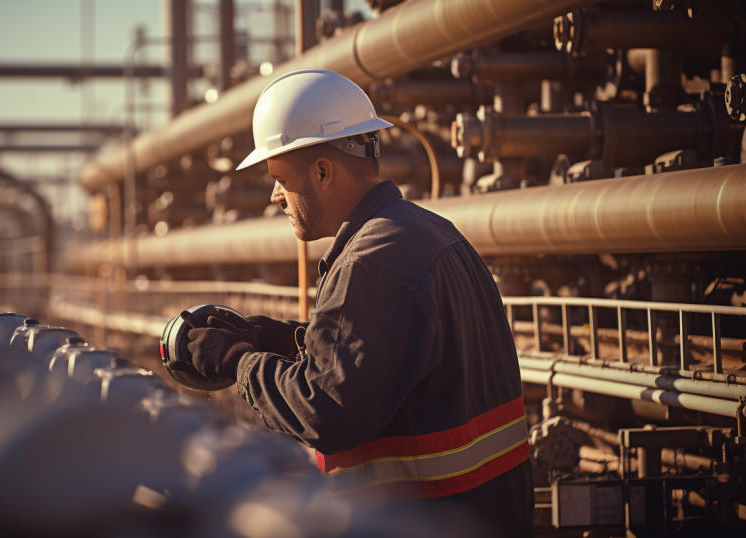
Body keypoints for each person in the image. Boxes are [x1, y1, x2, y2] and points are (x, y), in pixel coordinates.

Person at [183, 69, 533, 536]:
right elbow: (392, 361)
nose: (275, 197)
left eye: (279, 179)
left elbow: (324, 409)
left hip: (422, 523)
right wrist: (282, 339)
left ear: (323, 171)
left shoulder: (372, 263)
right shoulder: (429, 233)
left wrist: (239, 361)